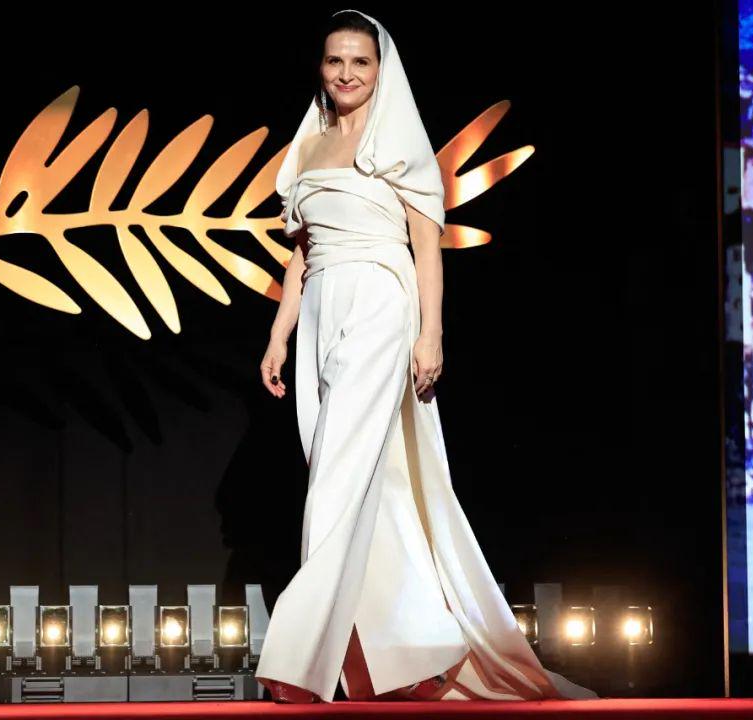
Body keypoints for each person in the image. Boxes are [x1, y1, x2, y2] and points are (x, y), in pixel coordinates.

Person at [255, 9, 598, 704]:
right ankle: (405, 656)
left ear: (380, 69)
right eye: (335, 60)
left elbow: (426, 246)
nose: (347, 73)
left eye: (360, 61)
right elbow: (302, 252)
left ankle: (298, 656)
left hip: (381, 304)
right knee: (367, 484)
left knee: (338, 484)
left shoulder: (399, 141)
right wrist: (279, 334)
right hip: (321, 312)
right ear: (320, 68)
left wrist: (430, 332)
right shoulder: (310, 145)